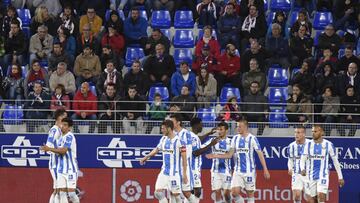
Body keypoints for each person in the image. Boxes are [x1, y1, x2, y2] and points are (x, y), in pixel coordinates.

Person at [206, 119, 270, 203]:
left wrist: (265, 169)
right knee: (234, 193)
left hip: (249, 171)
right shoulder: (235, 139)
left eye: (240, 126)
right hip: (237, 171)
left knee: (250, 194)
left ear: (246, 127)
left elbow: (260, 154)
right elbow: (229, 155)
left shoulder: (252, 138)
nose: (237, 128)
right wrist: (215, 155)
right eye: (237, 126)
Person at [139, 120, 187, 203]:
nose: (162, 130)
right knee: (158, 193)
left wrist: (185, 174)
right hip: (164, 172)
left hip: (174, 173)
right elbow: (157, 149)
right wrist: (146, 157)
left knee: (176, 197)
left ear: (169, 128)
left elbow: (184, 158)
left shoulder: (180, 141)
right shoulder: (163, 139)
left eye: (163, 128)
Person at [300, 125, 345, 203]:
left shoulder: (329, 144)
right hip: (311, 176)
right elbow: (302, 159)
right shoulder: (308, 144)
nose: (313, 133)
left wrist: (340, 177)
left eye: (315, 131)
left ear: (322, 133)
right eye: (312, 131)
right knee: (313, 200)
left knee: (321, 196)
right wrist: (302, 169)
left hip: (323, 175)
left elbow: (335, 162)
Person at [41, 117, 80, 203]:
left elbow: (63, 150)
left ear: (69, 127)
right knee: (61, 193)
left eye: (65, 125)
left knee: (71, 194)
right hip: (61, 170)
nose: (63, 126)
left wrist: (50, 149)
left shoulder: (70, 136)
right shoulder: (59, 138)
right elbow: (58, 152)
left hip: (71, 169)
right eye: (62, 124)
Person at [200, 122, 233, 203]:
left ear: (226, 130)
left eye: (221, 129)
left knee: (226, 195)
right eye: (218, 129)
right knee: (217, 193)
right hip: (215, 171)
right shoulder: (213, 140)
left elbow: (230, 156)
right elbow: (201, 147)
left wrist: (214, 155)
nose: (219, 131)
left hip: (226, 171)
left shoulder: (231, 142)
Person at [169, 114, 198, 202]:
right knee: (172, 192)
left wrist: (184, 172)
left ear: (178, 123)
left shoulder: (186, 134)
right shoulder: (170, 134)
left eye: (172, 122)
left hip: (183, 167)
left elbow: (187, 154)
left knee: (186, 192)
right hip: (173, 168)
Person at [43, 108, 67, 203]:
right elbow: (48, 147)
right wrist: (57, 151)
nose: (66, 119)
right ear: (58, 117)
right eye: (64, 117)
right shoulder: (54, 130)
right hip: (55, 164)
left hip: (60, 164)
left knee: (58, 189)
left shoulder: (61, 130)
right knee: (59, 189)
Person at [287, 126, 311, 203]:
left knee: (310, 198)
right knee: (297, 196)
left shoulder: (310, 144)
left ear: (304, 134)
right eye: (295, 132)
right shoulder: (291, 146)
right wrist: (290, 168)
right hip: (296, 173)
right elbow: (290, 159)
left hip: (308, 174)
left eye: (298, 133)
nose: (296, 135)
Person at [189, 117, 205, 202]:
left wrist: (208, 133)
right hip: (193, 168)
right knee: (197, 191)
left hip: (195, 168)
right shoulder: (193, 137)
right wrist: (210, 145)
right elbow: (195, 153)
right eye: (201, 124)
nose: (202, 126)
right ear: (196, 125)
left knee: (192, 191)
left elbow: (199, 139)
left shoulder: (194, 136)